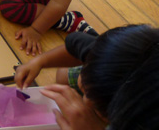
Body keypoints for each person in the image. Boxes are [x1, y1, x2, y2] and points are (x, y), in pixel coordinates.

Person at [15, 24, 159, 130]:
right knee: (63, 74)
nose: (85, 102)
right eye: (85, 91)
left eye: (98, 107)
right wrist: (40, 61)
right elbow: (73, 45)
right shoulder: (111, 52)